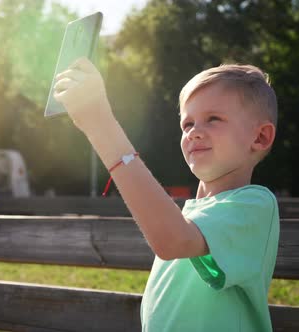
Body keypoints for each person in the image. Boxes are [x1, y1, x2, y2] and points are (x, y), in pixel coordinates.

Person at [54, 57, 280, 331]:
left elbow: (172, 241)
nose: (195, 132)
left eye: (213, 119)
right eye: (187, 124)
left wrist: (102, 126)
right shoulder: (189, 217)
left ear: (260, 138)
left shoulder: (255, 205)